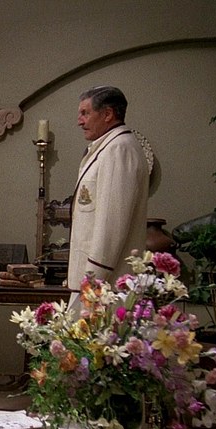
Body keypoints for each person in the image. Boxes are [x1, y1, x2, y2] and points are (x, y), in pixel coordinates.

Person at [67, 86, 149, 308]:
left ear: (108, 114)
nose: (79, 121)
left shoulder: (118, 150)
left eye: (85, 113)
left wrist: (93, 280)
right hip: (95, 284)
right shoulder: (107, 147)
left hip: (104, 287)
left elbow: (111, 223)